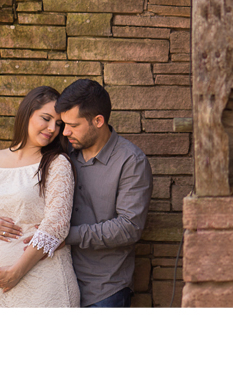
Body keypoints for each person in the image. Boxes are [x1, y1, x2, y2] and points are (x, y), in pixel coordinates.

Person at [0, 86, 80, 307]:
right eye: (46, 118)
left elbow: (56, 226)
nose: (52, 129)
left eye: (58, 124)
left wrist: (16, 272)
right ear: (28, 112)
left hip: (43, 284)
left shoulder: (57, 163)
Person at [55, 79, 153, 308]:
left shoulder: (131, 161)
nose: (65, 131)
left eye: (73, 125)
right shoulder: (63, 152)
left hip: (105, 289)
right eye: (63, 124)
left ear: (98, 121)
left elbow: (129, 227)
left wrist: (65, 235)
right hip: (58, 280)